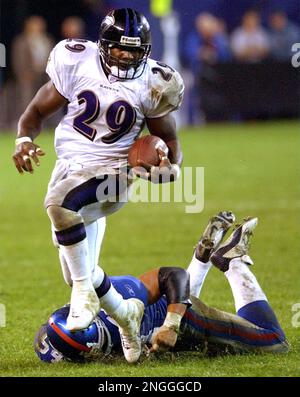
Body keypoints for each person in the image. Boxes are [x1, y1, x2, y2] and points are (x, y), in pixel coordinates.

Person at [12, 8, 184, 363]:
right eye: (120, 49)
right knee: (79, 267)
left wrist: (171, 170)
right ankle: (126, 317)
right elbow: (34, 114)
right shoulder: (77, 62)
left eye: (134, 51)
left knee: (59, 205)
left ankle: (84, 295)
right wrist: (22, 141)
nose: (126, 56)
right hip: (71, 167)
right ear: (104, 45)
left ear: (146, 51)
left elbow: (169, 141)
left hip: (115, 173)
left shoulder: (152, 83)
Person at [35, 212, 289, 363]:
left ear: (95, 341)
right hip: (172, 312)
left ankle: (232, 264)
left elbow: (172, 275)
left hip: (186, 318)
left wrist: (171, 325)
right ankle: (201, 260)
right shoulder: (95, 311)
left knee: (275, 342)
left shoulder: (121, 294)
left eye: (84, 355)